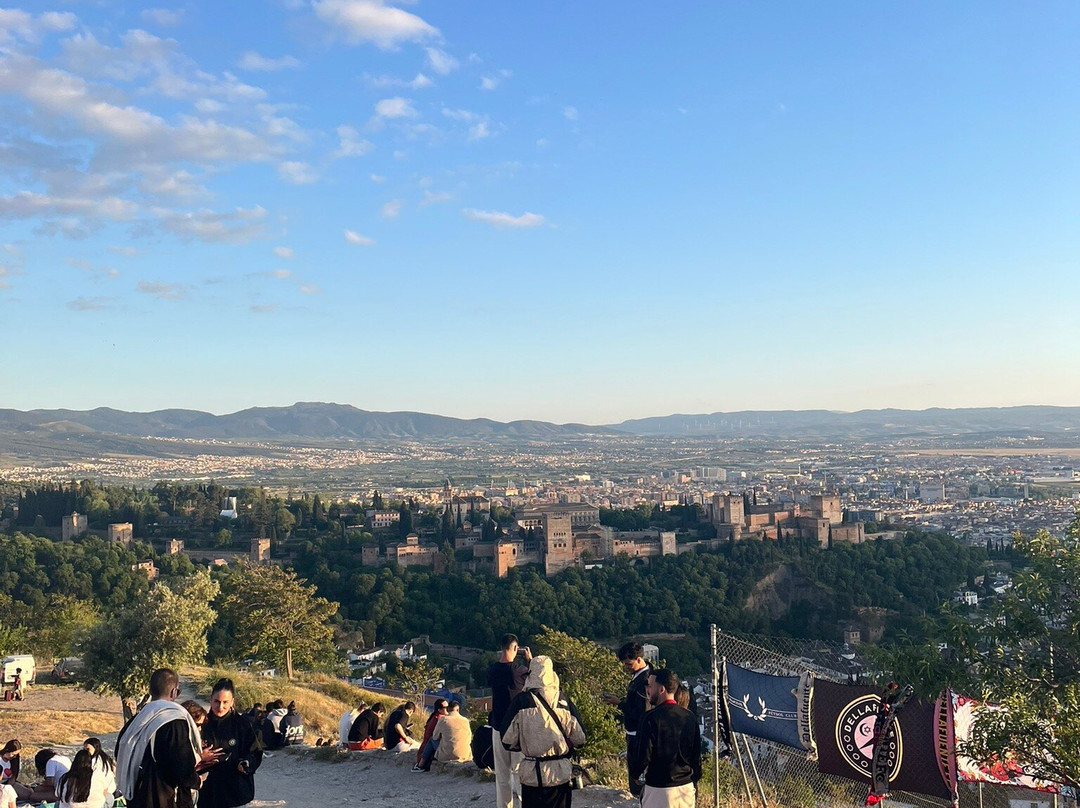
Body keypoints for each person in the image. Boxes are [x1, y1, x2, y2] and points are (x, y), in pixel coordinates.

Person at [500, 655, 585, 808]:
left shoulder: (521, 701)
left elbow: (507, 739)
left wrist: (525, 743)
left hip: (532, 773)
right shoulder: (563, 701)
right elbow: (580, 738)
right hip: (559, 773)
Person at [115, 667, 201, 808]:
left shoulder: (136, 721)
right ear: (174, 692)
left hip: (136, 796)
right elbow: (182, 765)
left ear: (150, 691)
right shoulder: (173, 720)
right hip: (162, 798)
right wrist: (196, 781)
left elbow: (121, 752)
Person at [628, 668, 701, 808]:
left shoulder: (650, 718)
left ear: (661, 689)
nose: (647, 690)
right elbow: (696, 755)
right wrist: (693, 781)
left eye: (650, 686)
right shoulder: (689, 717)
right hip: (685, 790)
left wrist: (635, 774)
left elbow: (643, 755)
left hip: (660, 789)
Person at [199, 678, 262, 808]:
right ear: (210, 699)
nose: (220, 707)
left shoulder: (242, 725)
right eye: (216, 701)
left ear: (232, 702)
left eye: (225, 702)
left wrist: (245, 763)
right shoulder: (201, 724)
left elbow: (255, 752)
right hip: (206, 793)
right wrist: (200, 757)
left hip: (235, 792)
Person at [488, 633, 531, 808]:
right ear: (515, 648)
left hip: (498, 726)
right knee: (520, 772)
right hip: (516, 728)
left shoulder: (492, 670)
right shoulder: (519, 671)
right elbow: (537, 682)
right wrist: (530, 661)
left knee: (502, 774)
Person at [603, 641, 651, 797]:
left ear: (638, 659)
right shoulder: (643, 675)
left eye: (629, 664)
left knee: (637, 773)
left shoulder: (644, 681)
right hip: (636, 731)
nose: (626, 668)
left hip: (638, 733)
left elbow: (640, 711)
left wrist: (620, 703)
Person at [416, 700, 472, 770]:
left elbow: (435, 737)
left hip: (447, 756)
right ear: (458, 709)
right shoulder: (465, 720)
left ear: (448, 709)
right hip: (465, 755)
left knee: (431, 740)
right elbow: (469, 739)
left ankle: (421, 764)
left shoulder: (443, 720)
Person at [412, 699, 449, 770]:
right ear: (439, 709)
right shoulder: (440, 719)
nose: (448, 709)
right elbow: (435, 737)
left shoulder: (435, 717)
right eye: (446, 707)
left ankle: (421, 764)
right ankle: (422, 764)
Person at [83, 738, 117, 808]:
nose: (86, 752)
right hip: (111, 791)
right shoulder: (106, 758)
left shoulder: (94, 762)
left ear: (95, 748)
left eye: (88, 749)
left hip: (104, 794)